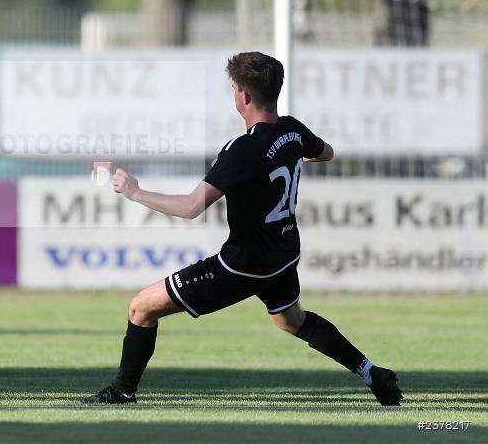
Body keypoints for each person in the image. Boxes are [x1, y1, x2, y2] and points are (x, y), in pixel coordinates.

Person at [77, 52, 402, 406]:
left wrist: (136, 192)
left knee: (141, 308)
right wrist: (288, 155)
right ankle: (372, 372)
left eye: (234, 88)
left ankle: (122, 391)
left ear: (244, 96)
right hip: (281, 254)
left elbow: (190, 208)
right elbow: (326, 152)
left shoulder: (241, 150)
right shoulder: (293, 130)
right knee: (292, 320)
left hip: (241, 265)